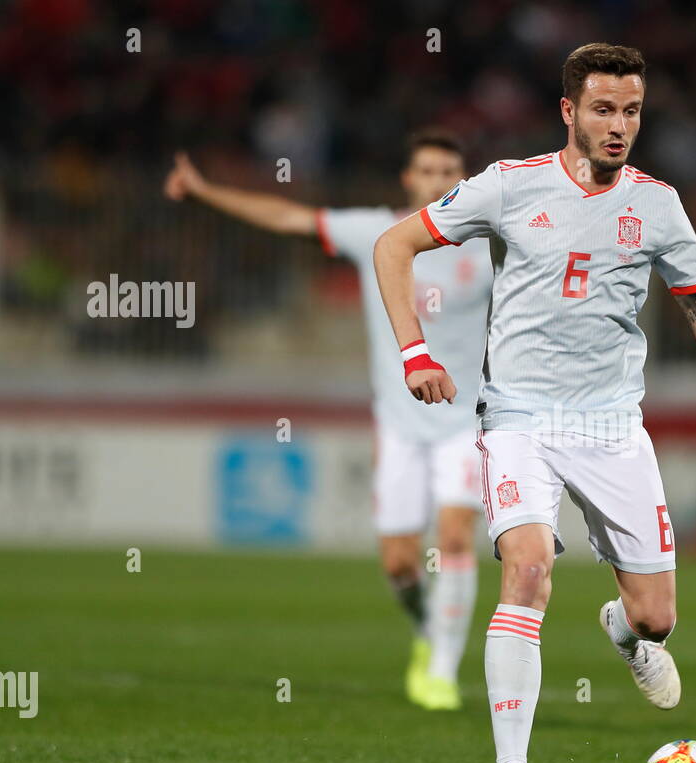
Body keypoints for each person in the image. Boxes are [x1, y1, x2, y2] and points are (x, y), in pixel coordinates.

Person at [374, 43, 696, 763]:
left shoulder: (659, 205)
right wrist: (414, 351)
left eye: (632, 111)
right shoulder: (508, 186)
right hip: (518, 419)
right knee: (528, 570)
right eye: (603, 109)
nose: (619, 126)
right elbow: (393, 244)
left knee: (656, 617)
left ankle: (625, 634)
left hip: (610, 426)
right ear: (568, 111)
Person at [164, 131, 493, 711]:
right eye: (428, 170)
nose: (439, 181)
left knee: (454, 535)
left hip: (466, 421)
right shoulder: (377, 232)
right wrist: (205, 190)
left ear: (462, 182)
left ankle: (441, 668)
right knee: (398, 563)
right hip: (398, 425)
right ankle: (426, 631)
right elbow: (288, 217)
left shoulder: (487, 244)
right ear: (408, 179)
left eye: (450, 172)